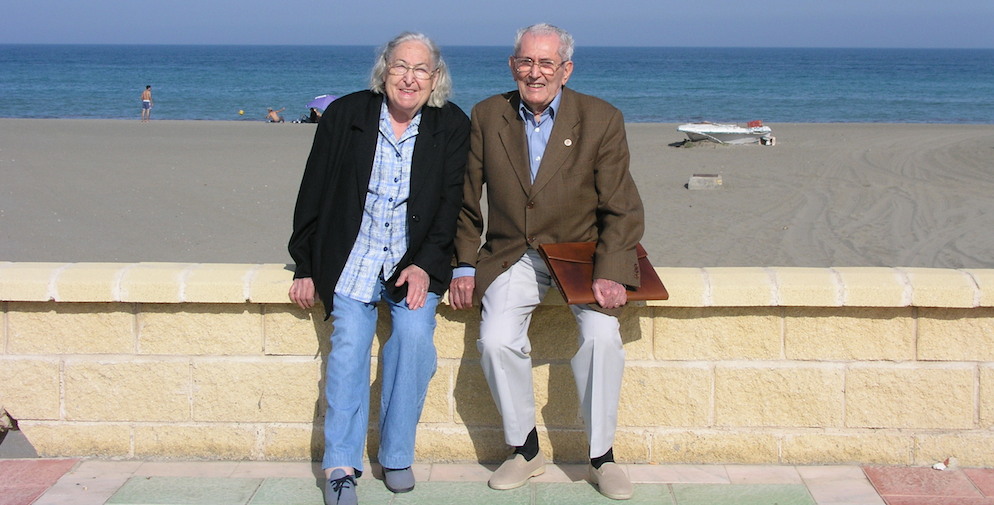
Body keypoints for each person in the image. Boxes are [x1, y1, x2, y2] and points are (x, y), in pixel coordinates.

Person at [449, 23, 644, 500]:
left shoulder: (601, 118)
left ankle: (602, 458)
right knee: (494, 340)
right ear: (513, 64)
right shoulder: (487, 114)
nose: (535, 73)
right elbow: (466, 201)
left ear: (565, 69)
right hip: (514, 253)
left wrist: (613, 271)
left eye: (546, 63)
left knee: (601, 338)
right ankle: (525, 449)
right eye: (526, 62)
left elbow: (621, 206)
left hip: (582, 254)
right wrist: (463, 265)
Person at [288, 32, 469, 505]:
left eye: (420, 70)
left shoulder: (450, 124)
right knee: (349, 344)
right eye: (400, 67)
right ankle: (341, 464)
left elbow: (452, 204)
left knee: (412, 338)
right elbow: (313, 190)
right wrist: (304, 264)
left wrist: (426, 266)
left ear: (436, 77)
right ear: (384, 70)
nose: (409, 78)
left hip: (413, 260)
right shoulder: (346, 116)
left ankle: (396, 455)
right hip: (353, 256)